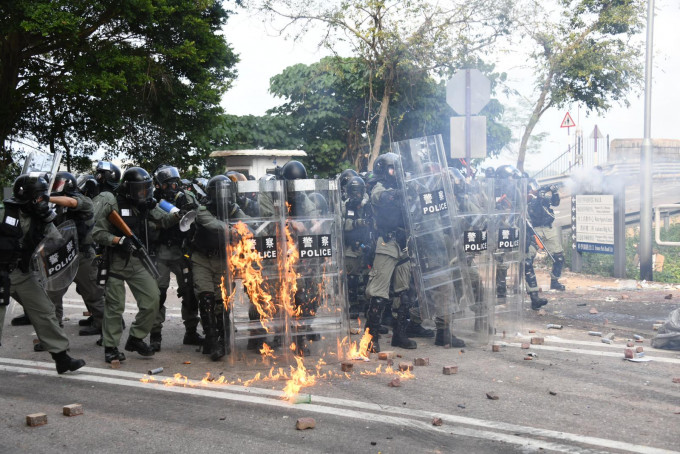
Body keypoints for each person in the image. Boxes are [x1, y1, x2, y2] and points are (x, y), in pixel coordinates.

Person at [92, 167, 182, 363]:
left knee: (153, 299)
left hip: (138, 261)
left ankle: (136, 338)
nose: (143, 193)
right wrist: (118, 240)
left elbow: (164, 220)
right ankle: (110, 347)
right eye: (139, 189)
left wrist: (179, 214)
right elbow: (96, 232)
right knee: (115, 307)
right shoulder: (112, 201)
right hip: (115, 261)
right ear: (128, 188)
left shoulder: (145, 205)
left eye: (145, 189)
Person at [0, 174, 86, 373]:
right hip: (1, 273)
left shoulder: (42, 218)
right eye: (38, 197)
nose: (42, 201)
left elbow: (56, 243)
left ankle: (61, 358)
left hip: (23, 274)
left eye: (43, 196)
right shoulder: (5, 213)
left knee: (45, 311)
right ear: (26, 196)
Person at [364, 153, 417, 352]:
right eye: (393, 169)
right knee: (378, 293)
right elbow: (380, 197)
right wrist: (397, 192)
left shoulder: (405, 187)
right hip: (386, 242)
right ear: (383, 170)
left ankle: (400, 334)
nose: (396, 173)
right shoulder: (378, 186)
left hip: (404, 242)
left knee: (404, 293)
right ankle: (371, 338)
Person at [190, 175, 246, 360]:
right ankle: (212, 340)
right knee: (206, 298)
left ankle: (222, 337)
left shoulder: (233, 209)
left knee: (222, 301)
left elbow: (248, 223)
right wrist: (235, 230)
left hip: (223, 259)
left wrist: (251, 228)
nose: (224, 196)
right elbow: (215, 226)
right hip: (203, 259)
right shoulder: (203, 210)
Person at [148, 165, 203, 352]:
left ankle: (191, 332)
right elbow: (158, 222)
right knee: (158, 294)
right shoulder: (152, 200)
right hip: (161, 253)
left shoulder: (186, 197)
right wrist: (178, 215)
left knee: (189, 293)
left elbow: (199, 216)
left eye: (174, 183)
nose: (172, 187)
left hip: (182, 253)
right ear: (159, 185)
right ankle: (155, 335)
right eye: (167, 184)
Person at [46, 171, 105, 337]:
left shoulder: (83, 201)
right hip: (63, 256)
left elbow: (71, 202)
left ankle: (105, 329)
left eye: (57, 185)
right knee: (52, 295)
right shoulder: (56, 207)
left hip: (83, 256)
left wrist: (46, 198)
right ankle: (53, 335)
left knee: (94, 295)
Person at [525, 179, 564, 309]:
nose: (536, 189)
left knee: (558, 256)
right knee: (527, 260)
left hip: (548, 228)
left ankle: (555, 280)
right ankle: (533, 293)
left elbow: (555, 203)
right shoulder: (528, 199)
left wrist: (554, 192)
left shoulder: (542, 196)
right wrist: (538, 195)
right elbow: (533, 207)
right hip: (533, 230)